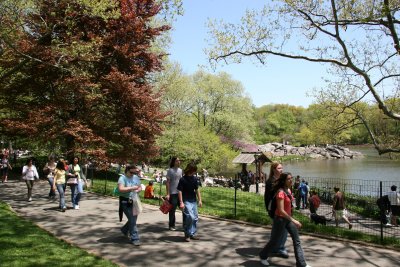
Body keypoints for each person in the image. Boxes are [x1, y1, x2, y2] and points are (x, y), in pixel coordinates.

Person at [259, 172, 311, 267]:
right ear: (284, 181)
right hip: (280, 219)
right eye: (288, 179)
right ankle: (263, 255)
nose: (291, 180)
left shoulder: (288, 190)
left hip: (287, 219)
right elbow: (281, 210)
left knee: (297, 241)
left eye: (292, 178)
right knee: (274, 241)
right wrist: (294, 220)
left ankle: (301, 264)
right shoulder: (280, 192)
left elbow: (288, 206)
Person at [264, 162, 288, 258]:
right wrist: (269, 210)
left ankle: (277, 247)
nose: (281, 170)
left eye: (282, 168)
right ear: (274, 169)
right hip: (276, 209)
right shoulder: (270, 181)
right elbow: (267, 197)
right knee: (280, 230)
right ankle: (278, 248)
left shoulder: (282, 180)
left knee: (282, 229)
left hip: (284, 208)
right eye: (279, 168)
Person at [118, 164, 142, 246]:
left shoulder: (135, 177)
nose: (133, 174)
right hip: (125, 202)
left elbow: (139, 187)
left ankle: (125, 230)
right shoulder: (122, 178)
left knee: (133, 219)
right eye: (132, 172)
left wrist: (138, 189)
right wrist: (132, 188)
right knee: (132, 219)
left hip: (134, 200)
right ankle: (135, 238)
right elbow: (121, 189)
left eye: (134, 172)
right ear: (127, 171)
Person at [177, 163, 202, 242]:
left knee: (195, 218)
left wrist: (200, 200)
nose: (195, 172)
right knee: (190, 217)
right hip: (186, 200)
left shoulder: (194, 179)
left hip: (193, 200)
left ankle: (192, 234)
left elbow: (197, 190)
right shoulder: (183, 179)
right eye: (194, 170)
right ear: (191, 170)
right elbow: (179, 191)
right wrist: (181, 202)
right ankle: (187, 234)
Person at [166, 157, 183, 231]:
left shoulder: (181, 170)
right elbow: (167, 183)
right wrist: (168, 194)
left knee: (184, 209)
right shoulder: (170, 171)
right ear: (173, 162)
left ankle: (185, 225)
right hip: (173, 193)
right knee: (172, 210)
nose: (179, 162)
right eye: (177, 161)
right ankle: (171, 225)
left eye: (179, 161)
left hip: (180, 193)